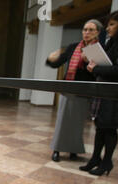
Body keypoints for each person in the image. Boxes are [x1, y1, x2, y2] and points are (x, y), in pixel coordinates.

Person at [46, 19, 103, 162]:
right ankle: (57, 149)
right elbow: (57, 63)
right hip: (68, 89)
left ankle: (73, 151)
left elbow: (100, 73)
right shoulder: (73, 47)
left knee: (77, 125)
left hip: (84, 92)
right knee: (62, 121)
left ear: (98, 32)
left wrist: (88, 61)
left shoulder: (99, 50)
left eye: (91, 30)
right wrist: (50, 59)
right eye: (85, 29)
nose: (87, 33)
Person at [81, 10, 118, 176]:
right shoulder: (112, 42)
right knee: (100, 126)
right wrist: (92, 66)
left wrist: (96, 68)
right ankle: (95, 159)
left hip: (114, 93)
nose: (108, 27)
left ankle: (107, 162)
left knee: (109, 128)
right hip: (104, 89)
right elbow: (105, 67)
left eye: (112, 24)